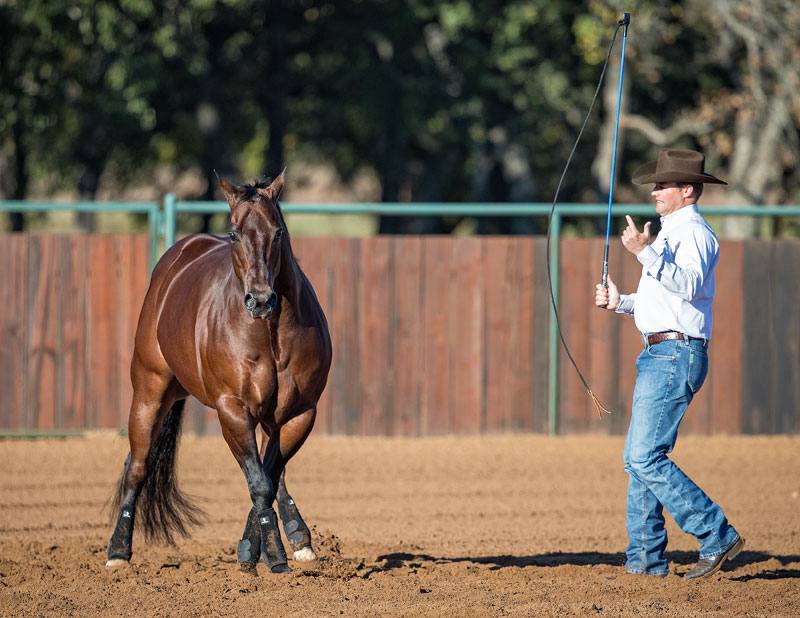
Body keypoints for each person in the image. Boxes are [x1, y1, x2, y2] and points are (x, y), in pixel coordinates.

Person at [594, 148, 744, 579]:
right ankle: (645, 560)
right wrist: (622, 302)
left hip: (674, 353)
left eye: (663, 185)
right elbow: (666, 300)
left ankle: (715, 533)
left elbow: (690, 285)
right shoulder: (670, 234)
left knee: (643, 457)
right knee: (639, 458)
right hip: (664, 351)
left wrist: (644, 254)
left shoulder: (693, 232)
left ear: (688, 190)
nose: (655, 192)